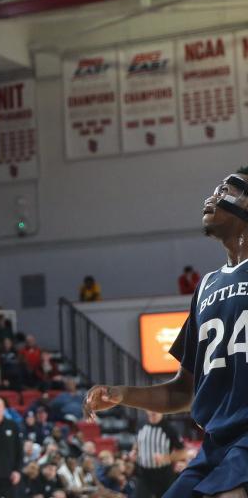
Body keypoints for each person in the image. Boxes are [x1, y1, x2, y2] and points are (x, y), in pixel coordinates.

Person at [84, 168, 248, 498]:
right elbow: (182, 392)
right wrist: (122, 394)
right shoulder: (206, 287)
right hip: (217, 445)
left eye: (227, 189)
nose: (213, 195)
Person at [134, 411, 185, 498]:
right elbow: (137, 442)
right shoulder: (141, 424)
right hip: (143, 473)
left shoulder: (170, 428)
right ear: (146, 410)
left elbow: (183, 453)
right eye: (151, 409)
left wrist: (166, 458)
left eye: (157, 409)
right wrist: (134, 451)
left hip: (163, 474)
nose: (153, 411)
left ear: (162, 411)